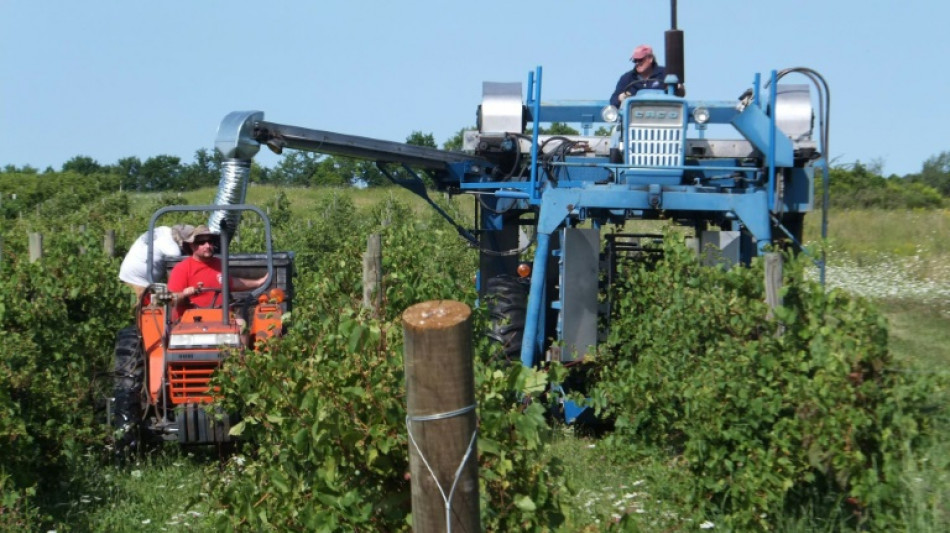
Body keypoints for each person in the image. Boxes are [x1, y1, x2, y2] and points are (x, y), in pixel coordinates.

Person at [166, 225, 268, 320]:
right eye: (202, 242)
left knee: (241, 325)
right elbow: (171, 300)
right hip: (192, 320)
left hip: (222, 318)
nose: (207, 245)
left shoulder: (219, 263)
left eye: (210, 242)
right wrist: (184, 294)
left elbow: (231, 283)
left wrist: (259, 282)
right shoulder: (182, 269)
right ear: (192, 246)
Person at [119, 224, 196, 302]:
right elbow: (175, 272)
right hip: (139, 278)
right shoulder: (173, 250)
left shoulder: (164, 229)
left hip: (128, 268)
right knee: (144, 305)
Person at [609, 44, 683, 107]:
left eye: (640, 60)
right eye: (635, 60)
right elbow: (613, 101)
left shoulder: (666, 74)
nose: (637, 63)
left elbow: (680, 93)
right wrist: (620, 97)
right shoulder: (627, 78)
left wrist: (679, 88)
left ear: (650, 59)